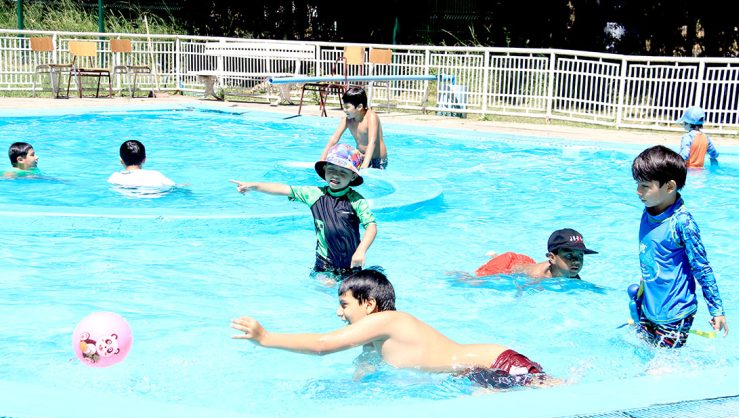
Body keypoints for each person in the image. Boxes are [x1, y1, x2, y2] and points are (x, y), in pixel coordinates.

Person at [231, 269, 556, 389]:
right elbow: (362, 378)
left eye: (344, 305)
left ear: (369, 304)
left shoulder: (387, 320)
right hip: (476, 374)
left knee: (555, 390)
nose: (339, 312)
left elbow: (322, 345)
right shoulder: (375, 339)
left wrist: (267, 338)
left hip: (497, 363)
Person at [231, 143, 377, 277]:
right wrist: (253, 185)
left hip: (352, 262)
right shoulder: (314, 194)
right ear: (325, 169)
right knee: (325, 288)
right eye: (331, 169)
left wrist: (361, 251)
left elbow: (371, 226)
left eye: (343, 172)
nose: (335, 175)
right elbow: (283, 189)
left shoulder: (356, 200)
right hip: (324, 262)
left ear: (353, 176)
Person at [631, 145, 727, 348]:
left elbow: (701, 268)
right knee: (643, 351)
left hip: (676, 312)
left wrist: (716, 310)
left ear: (669, 187)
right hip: (649, 306)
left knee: (664, 363)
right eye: (637, 184)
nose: (638, 191)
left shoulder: (682, 223)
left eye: (645, 186)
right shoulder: (648, 211)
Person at [475, 228, 598, 279]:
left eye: (580, 255)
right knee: (475, 280)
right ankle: (495, 258)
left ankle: (494, 256)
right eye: (569, 256)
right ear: (552, 258)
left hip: (525, 262)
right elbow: (520, 289)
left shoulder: (571, 273)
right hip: (506, 265)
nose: (576, 261)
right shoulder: (538, 276)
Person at [320, 86, 388, 170]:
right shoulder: (348, 119)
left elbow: (372, 141)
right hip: (361, 157)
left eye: (347, 107)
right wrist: (322, 159)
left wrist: (365, 165)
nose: (344, 110)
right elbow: (334, 139)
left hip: (377, 159)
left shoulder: (371, 117)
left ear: (359, 107)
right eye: (344, 107)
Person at [107, 140, 175, 187]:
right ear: (144, 160)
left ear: (121, 160)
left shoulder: (114, 178)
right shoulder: (155, 175)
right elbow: (174, 187)